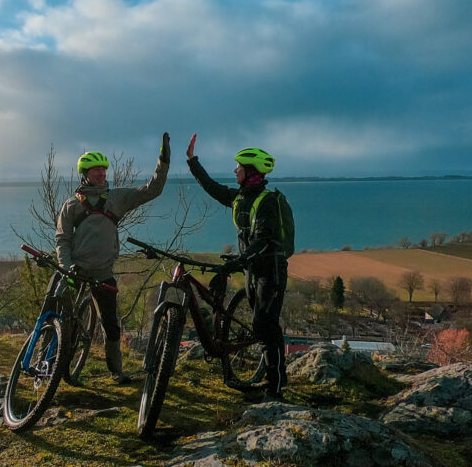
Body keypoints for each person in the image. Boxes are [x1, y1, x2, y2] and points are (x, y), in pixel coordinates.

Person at [186, 134, 295, 399]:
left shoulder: (267, 202)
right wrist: (192, 161)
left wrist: (239, 259)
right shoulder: (240, 198)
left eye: (239, 167)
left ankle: (276, 388)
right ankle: (273, 380)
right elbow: (212, 188)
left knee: (265, 326)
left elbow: (262, 240)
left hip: (271, 270)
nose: (234, 170)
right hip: (251, 271)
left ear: (251, 172)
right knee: (262, 327)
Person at [56, 133, 171, 382]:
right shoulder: (71, 206)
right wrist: (66, 268)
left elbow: (152, 190)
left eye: (104, 170)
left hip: (104, 272)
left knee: (111, 325)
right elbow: (62, 240)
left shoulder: (116, 198)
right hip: (75, 270)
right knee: (65, 322)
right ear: (84, 174)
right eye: (96, 170)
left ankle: (116, 372)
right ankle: (55, 366)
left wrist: (163, 160)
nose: (102, 174)